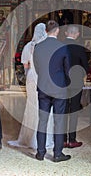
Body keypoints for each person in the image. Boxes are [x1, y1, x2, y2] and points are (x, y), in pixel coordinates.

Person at [7, 23, 54, 149]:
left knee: (32, 105)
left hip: (32, 76)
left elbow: (26, 66)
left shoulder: (29, 46)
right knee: (46, 107)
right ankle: (45, 138)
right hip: (45, 76)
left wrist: (31, 76)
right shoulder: (48, 45)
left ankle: (30, 138)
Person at [33, 20, 71, 162]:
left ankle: (40, 153)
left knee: (42, 121)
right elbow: (68, 70)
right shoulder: (62, 47)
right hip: (59, 88)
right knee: (59, 122)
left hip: (43, 87)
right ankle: (57, 154)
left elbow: (37, 68)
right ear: (57, 31)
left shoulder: (38, 47)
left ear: (46, 31)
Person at [63, 25, 88, 148]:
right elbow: (85, 66)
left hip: (61, 83)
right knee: (73, 111)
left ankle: (62, 139)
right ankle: (72, 139)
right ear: (77, 34)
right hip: (76, 83)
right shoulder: (79, 48)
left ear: (66, 32)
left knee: (62, 110)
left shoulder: (60, 45)